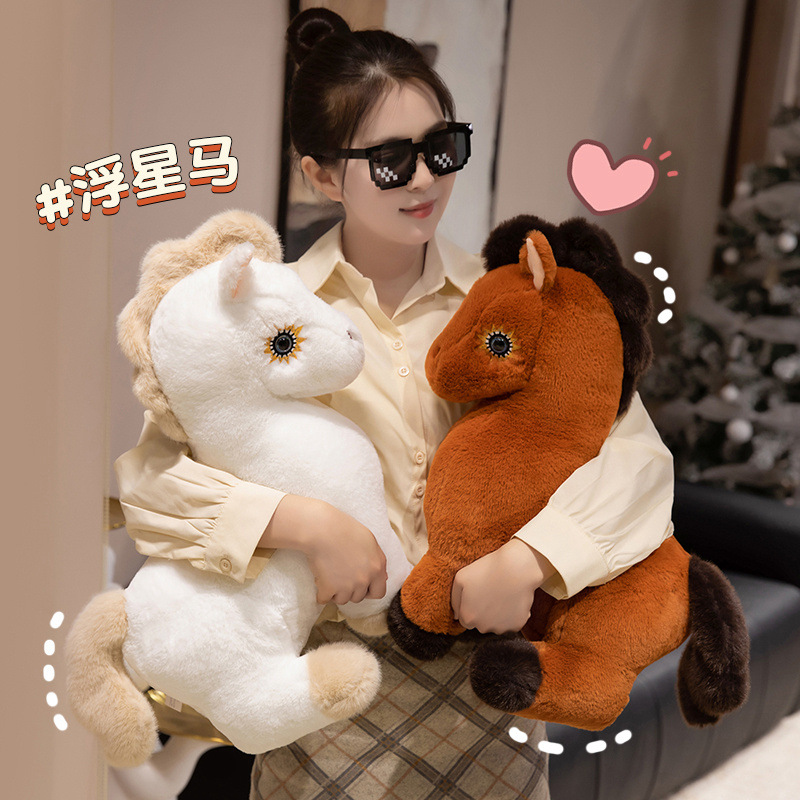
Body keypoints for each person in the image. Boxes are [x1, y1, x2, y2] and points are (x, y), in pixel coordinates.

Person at [115, 8, 676, 799]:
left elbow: (639, 461)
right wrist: (303, 524)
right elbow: (149, 484)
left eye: (441, 149)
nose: (423, 180)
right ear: (320, 175)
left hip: (492, 677)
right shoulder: (263, 315)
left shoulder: (518, 300)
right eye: (389, 160)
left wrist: (533, 558)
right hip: (332, 682)